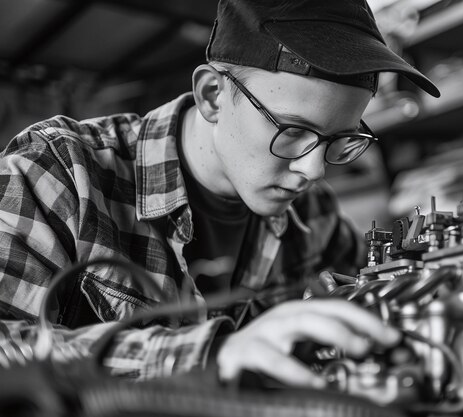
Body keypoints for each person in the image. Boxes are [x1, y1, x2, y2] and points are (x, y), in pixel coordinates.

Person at [0, 0, 439, 387]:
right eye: (293, 131)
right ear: (212, 95)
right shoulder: (59, 172)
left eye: (341, 139)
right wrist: (210, 356)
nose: (314, 170)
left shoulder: (315, 216)